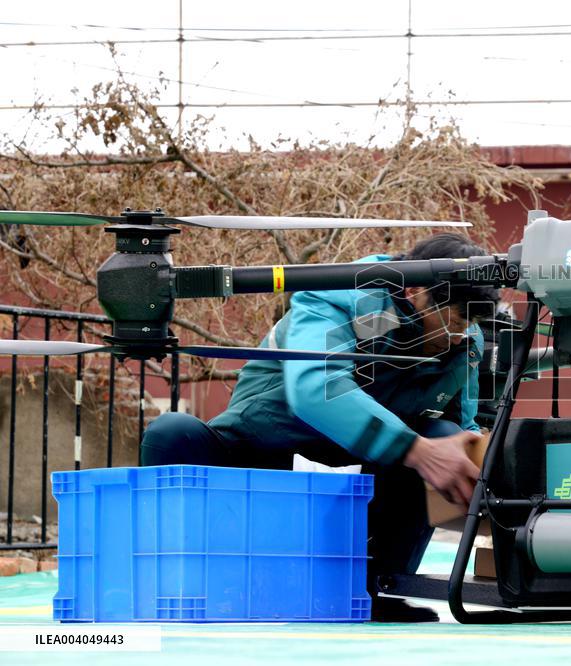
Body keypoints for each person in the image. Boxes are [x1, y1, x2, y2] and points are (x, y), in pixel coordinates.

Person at [140, 233, 498, 622]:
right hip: (264, 440)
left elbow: (463, 428)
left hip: (375, 452)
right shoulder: (337, 296)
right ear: (415, 291)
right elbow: (316, 390)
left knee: (448, 445)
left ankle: (380, 587)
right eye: (457, 321)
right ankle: (178, 584)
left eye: (473, 322)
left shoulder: (466, 341)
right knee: (170, 433)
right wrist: (418, 450)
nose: (463, 334)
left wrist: (480, 482)